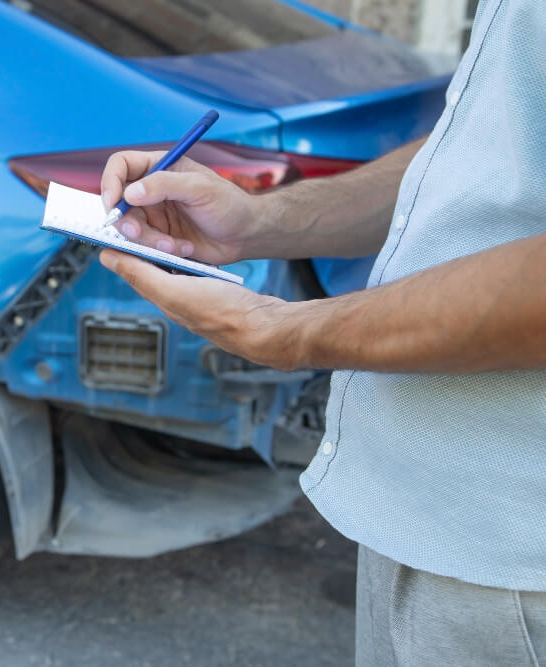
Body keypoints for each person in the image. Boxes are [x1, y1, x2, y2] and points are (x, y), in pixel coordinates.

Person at [97, 0, 545, 664]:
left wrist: (288, 332)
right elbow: (483, 147)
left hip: (510, 565)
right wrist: (259, 221)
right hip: (424, 524)